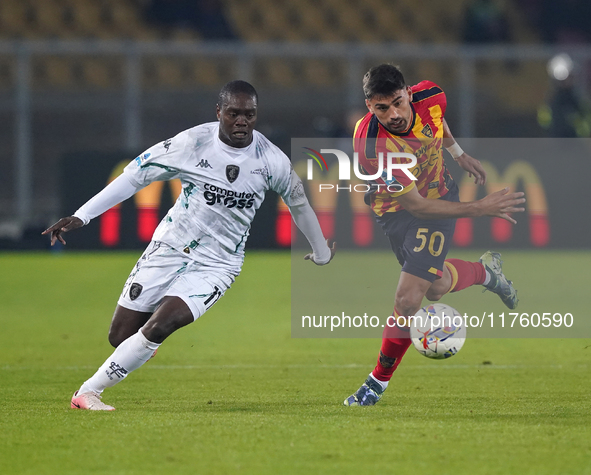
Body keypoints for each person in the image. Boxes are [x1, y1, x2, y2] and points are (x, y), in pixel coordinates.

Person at [43, 80, 336, 411]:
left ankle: (88, 392)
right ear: (219, 112)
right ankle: (140, 347)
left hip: (218, 264)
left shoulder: (272, 160)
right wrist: (84, 215)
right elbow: (135, 175)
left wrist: (321, 251)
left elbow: (299, 205)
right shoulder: (191, 144)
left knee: (163, 324)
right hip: (169, 246)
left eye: (250, 115)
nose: (242, 121)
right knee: (120, 337)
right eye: (234, 113)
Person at [343, 64, 525, 406]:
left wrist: (457, 153)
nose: (394, 114)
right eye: (382, 108)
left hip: (439, 196)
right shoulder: (372, 144)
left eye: (398, 102)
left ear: (409, 92)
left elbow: (437, 120)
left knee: (408, 300)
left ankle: (375, 384)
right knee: (437, 287)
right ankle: (487, 272)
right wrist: (480, 208)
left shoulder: (431, 93)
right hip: (399, 210)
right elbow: (416, 206)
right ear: (370, 106)